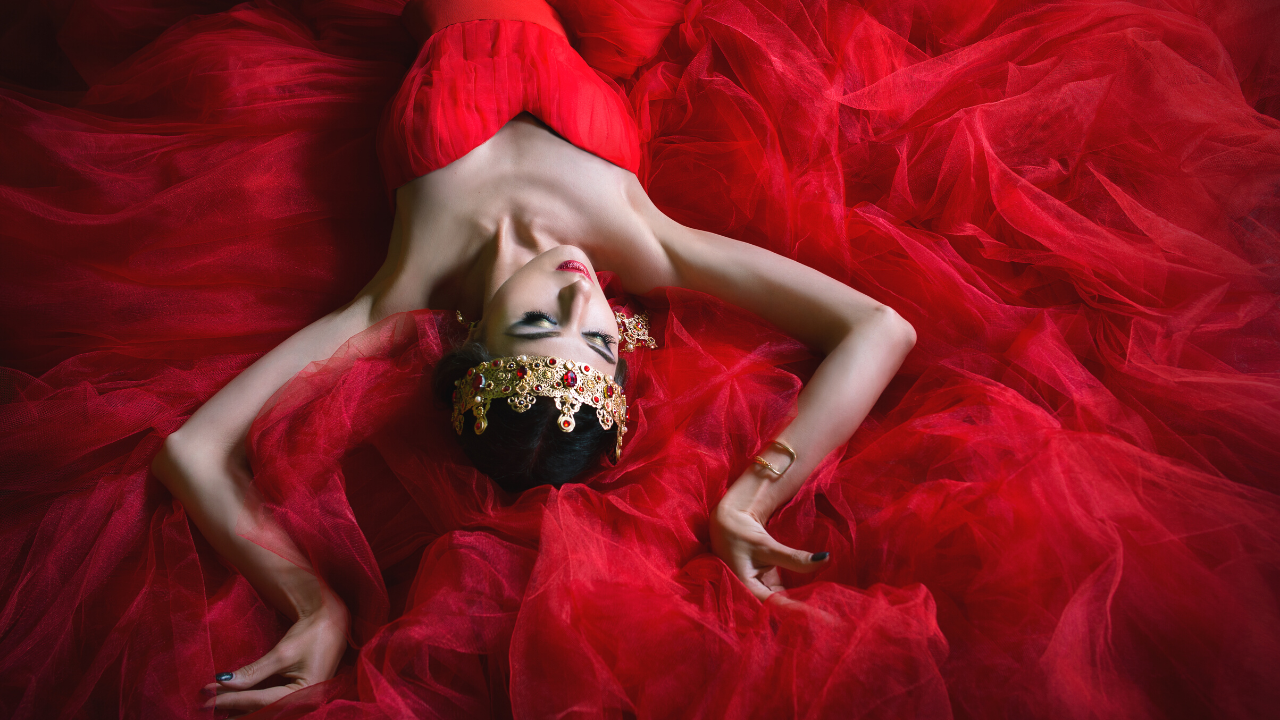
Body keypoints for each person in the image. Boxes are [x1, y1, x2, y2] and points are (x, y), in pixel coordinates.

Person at [148, 0, 915, 712]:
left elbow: (194, 450)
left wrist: (314, 604)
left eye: (541, 321)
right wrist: (751, 496)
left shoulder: (400, 293)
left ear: (475, 337)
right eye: (601, 339)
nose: (582, 296)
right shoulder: (645, 245)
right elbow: (879, 327)